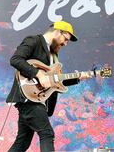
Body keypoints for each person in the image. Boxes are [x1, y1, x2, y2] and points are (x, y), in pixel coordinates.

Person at [6, 20, 90, 152]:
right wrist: (38, 73)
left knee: (22, 144)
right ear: (57, 32)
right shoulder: (34, 41)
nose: (65, 43)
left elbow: (54, 82)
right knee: (47, 134)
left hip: (37, 100)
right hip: (29, 99)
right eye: (65, 39)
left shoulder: (53, 55)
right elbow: (16, 59)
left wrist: (78, 78)